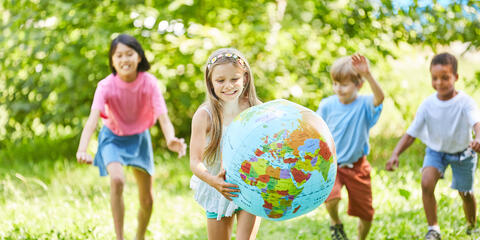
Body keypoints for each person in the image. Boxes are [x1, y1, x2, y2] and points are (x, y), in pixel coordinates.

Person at [76, 34, 187, 240]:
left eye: (129, 54)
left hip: (139, 139)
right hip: (112, 138)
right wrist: (83, 149)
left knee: (147, 200)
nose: (124, 59)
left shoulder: (149, 83)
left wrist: (170, 138)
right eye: (118, 55)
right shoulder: (105, 86)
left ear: (139, 57)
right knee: (117, 180)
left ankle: (140, 237)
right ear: (112, 60)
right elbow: (92, 120)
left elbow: (163, 117)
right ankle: (120, 238)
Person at [386, 52, 480, 240]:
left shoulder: (465, 102)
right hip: (436, 151)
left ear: (456, 77)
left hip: (463, 152)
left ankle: (471, 225)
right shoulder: (428, 104)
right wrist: (395, 153)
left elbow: (476, 123)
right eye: (434, 78)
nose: (439, 82)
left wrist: (478, 137)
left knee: (465, 193)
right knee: (426, 183)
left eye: (445, 77)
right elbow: (411, 134)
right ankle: (433, 229)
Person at [189, 48, 262, 240]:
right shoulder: (205, 115)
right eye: (220, 80)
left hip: (250, 185)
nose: (228, 86)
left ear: (245, 78)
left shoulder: (256, 110)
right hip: (219, 187)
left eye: (234, 79)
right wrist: (214, 182)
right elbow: (195, 161)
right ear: (210, 83)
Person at [316, 54, 384, 240]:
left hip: (357, 166)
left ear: (358, 85)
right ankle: (335, 221)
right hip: (332, 165)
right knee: (332, 198)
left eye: (344, 84)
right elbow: (314, 129)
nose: (338, 89)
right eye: (335, 84)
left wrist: (368, 74)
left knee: (366, 214)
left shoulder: (365, 104)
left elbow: (380, 97)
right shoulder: (327, 105)